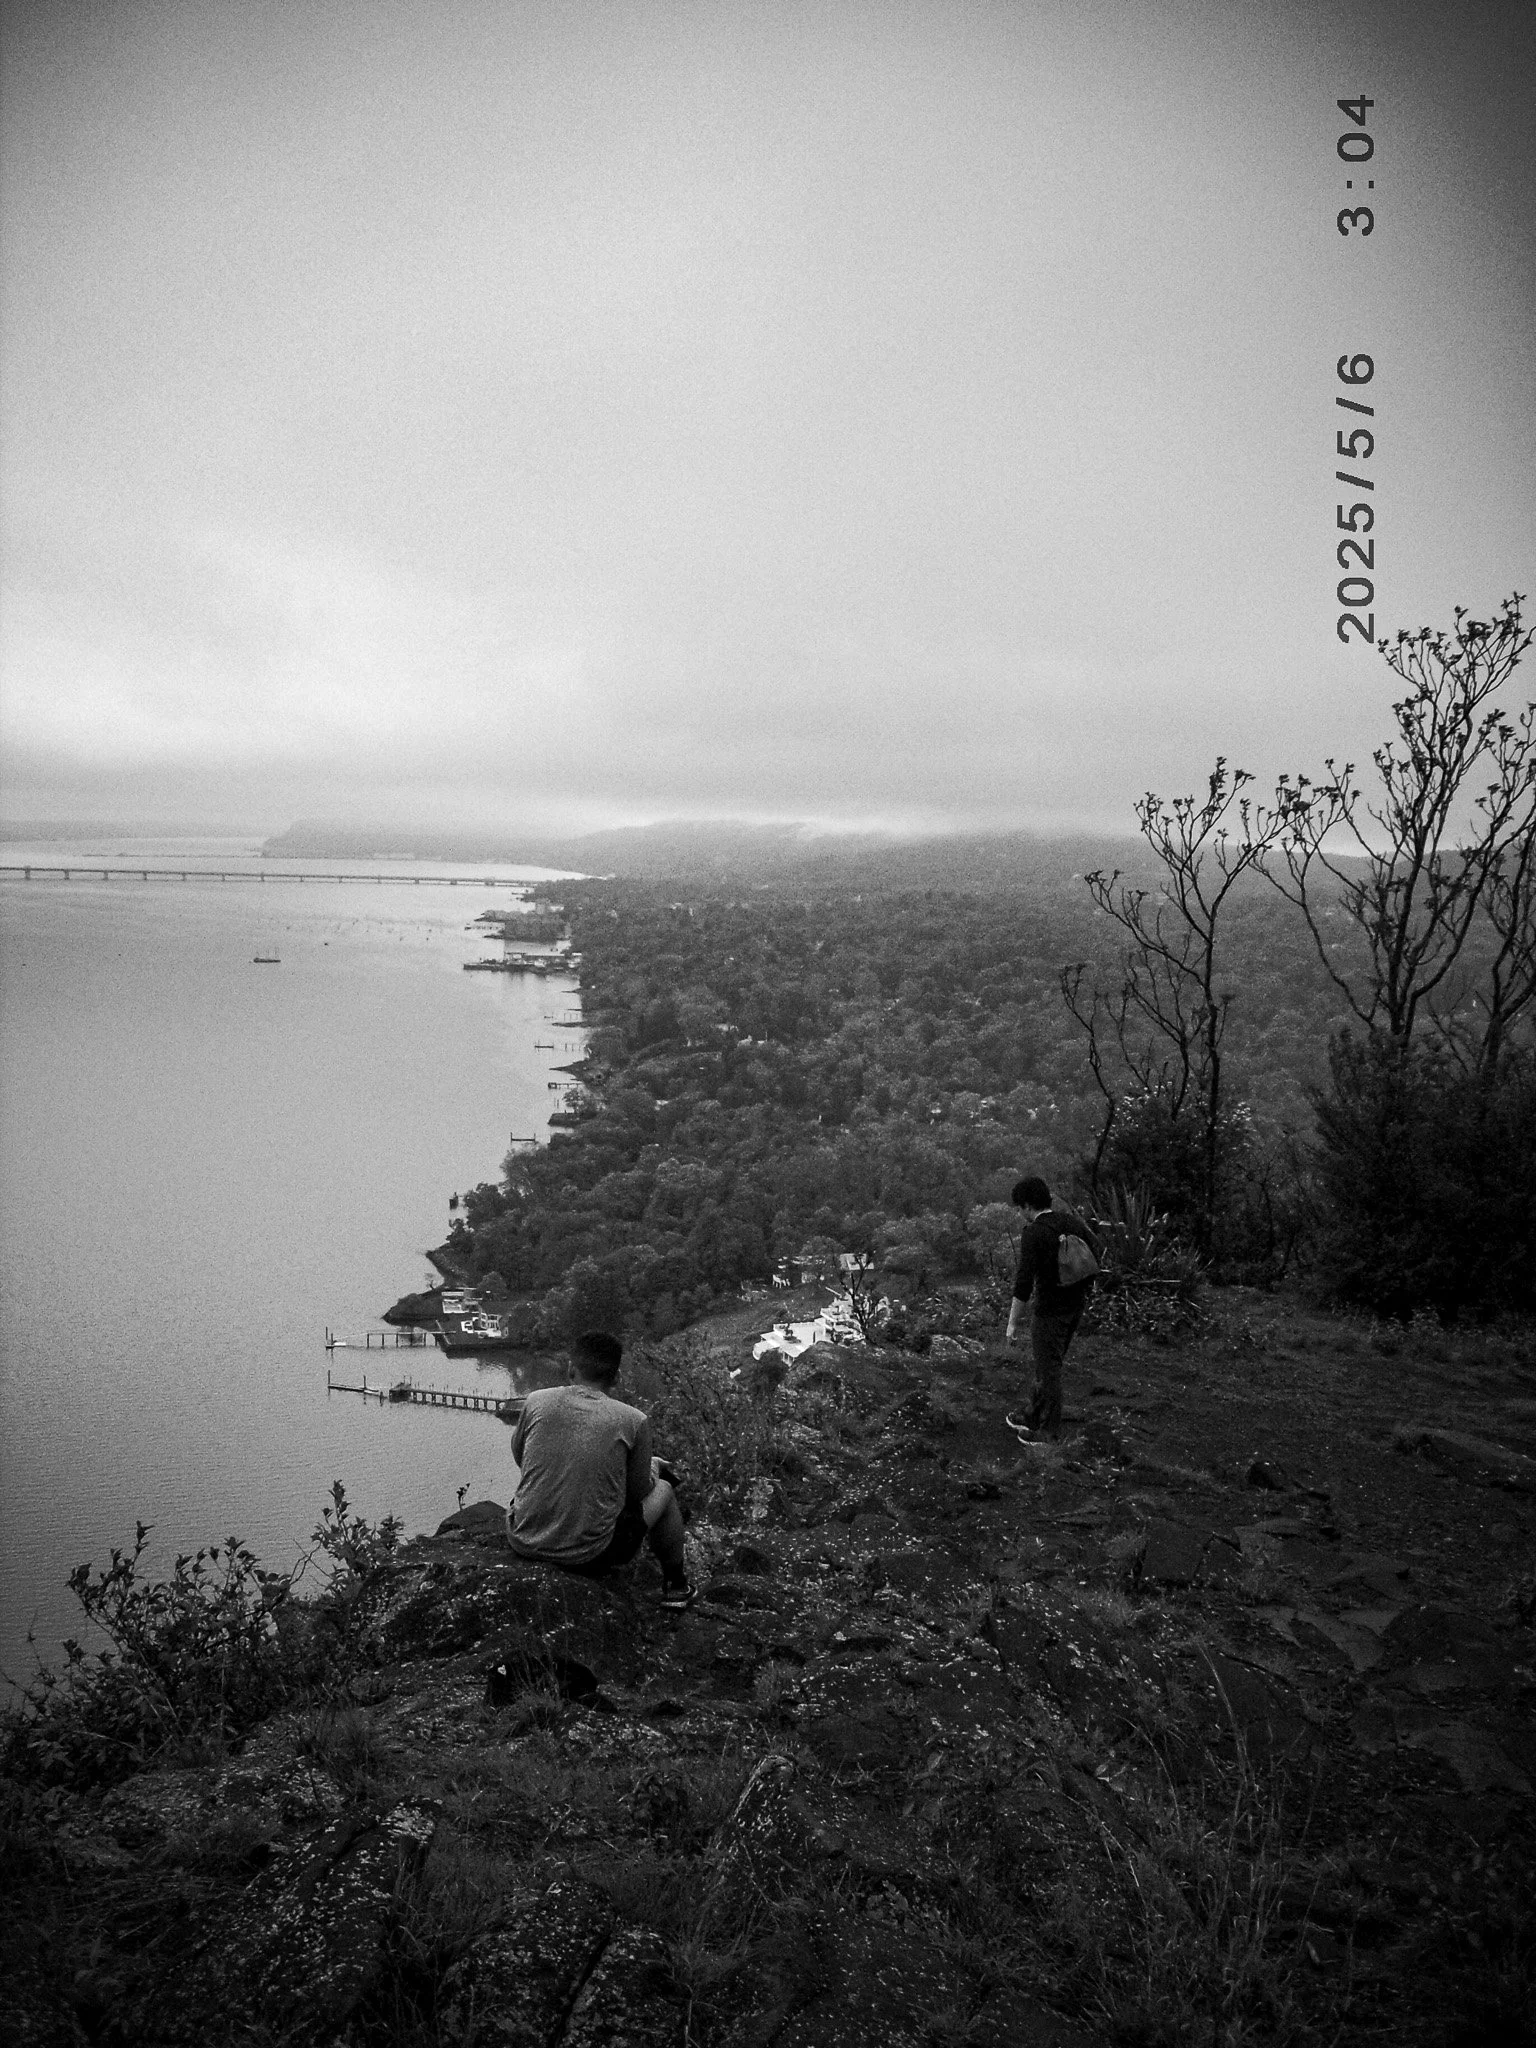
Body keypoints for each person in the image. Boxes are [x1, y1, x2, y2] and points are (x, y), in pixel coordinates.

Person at [507, 1329, 695, 1608]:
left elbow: (521, 1457)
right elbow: (637, 1493)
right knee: (665, 1489)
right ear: (616, 1378)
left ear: (571, 1369)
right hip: (589, 1554)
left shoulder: (535, 1401)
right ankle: (676, 1587)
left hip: (522, 1540)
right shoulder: (634, 1420)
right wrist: (653, 1467)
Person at [1004, 1175, 1102, 1438]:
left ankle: (1049, 1433)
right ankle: (1033, 1413)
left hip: (1050, 1311)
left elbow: (1024, 1282)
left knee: (1049, 1371)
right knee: (1047, 1364)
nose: (1019, 1212)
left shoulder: (1034, 1233)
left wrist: (1012, 1323)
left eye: (1019, 1207)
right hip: (1074, 1307)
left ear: (1027, 1205)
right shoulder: (1070, 1222)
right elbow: (1094, 1254)